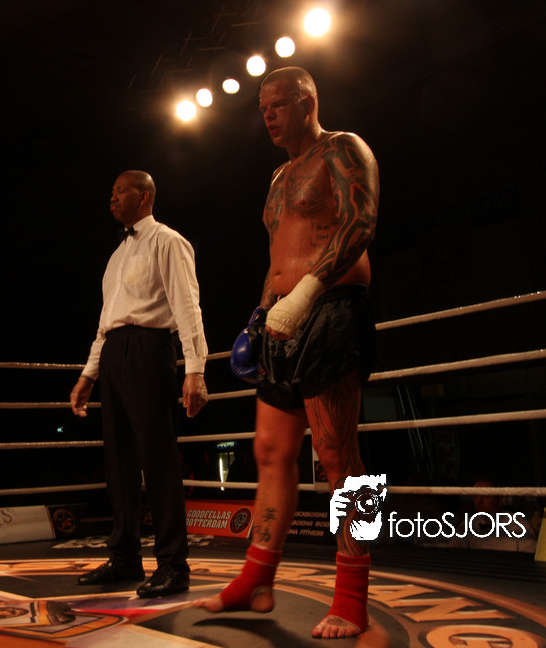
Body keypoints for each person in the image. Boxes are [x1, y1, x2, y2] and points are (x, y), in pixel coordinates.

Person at [195, 67, 379, 639]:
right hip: (280, 321)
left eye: (277, 104)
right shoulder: (278, 176)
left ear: (307, 102)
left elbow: (361, 221)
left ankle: (353, 598)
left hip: (331, 308)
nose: (267, 115)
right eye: (262, 107)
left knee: (338, 456)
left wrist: (305, 293)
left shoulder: (343, 149)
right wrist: (262, 313)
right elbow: (279, 250)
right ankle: (256, 579)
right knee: (270, 451)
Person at [70, 170, 209, 598]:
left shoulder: (168, 241)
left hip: (149, 349)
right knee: (119, 463)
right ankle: (125, 558)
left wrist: (195, 368)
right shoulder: (116, 256)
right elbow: (105, 323)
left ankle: (173, 565)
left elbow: (187, 305)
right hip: (115, 353)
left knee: (158, 460)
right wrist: (89, 374)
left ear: (144, 196)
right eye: (111, 192)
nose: (111, 198)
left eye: (120, 191)